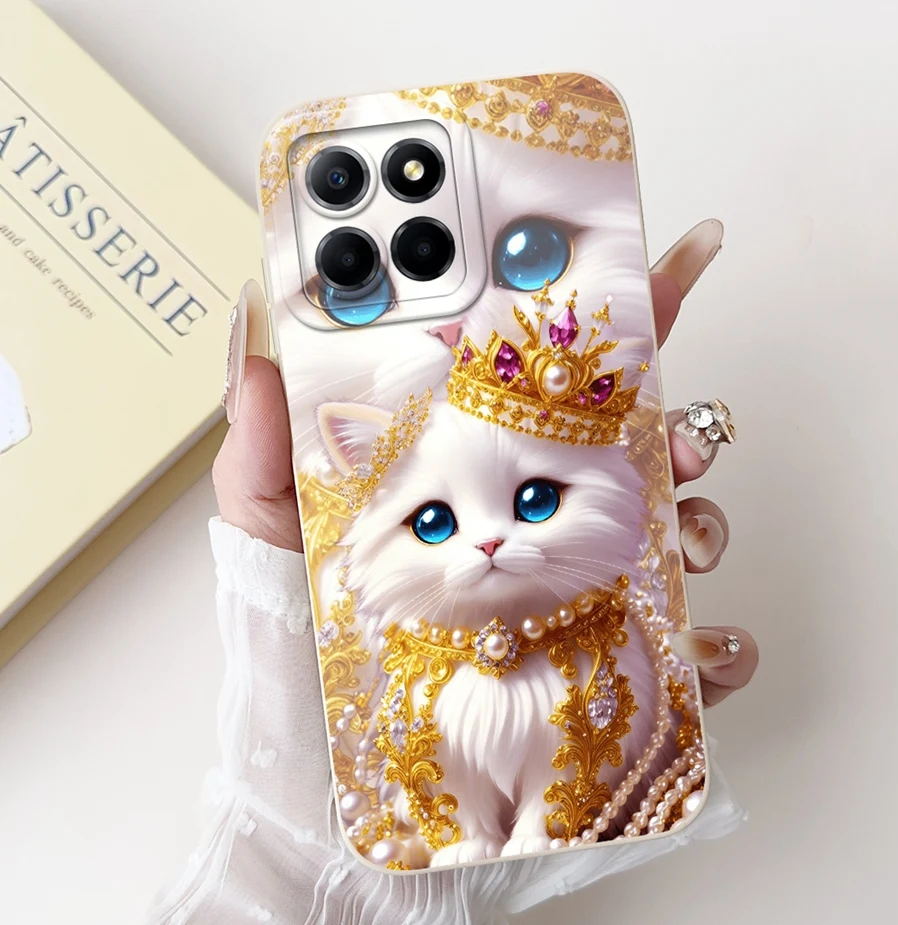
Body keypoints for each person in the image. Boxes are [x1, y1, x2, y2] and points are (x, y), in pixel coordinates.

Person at [149, 220, 758, 924]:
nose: (488, 544)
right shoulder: (388, 669)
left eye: (535, 500)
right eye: (434, 522)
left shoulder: (604, 635)